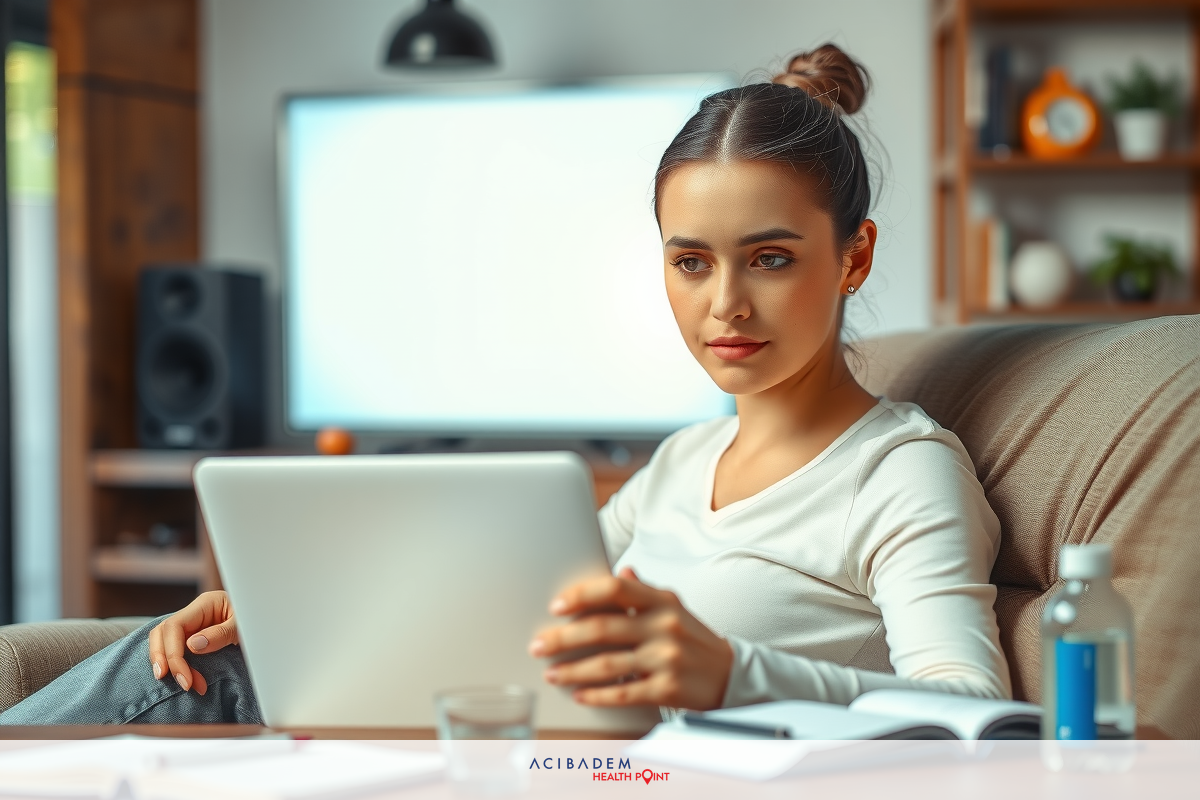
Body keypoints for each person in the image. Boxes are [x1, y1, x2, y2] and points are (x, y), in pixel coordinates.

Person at [0, 43, 1010, 726]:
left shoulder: (901, 471)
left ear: (854, 256)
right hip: (525, 747)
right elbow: (516, 610)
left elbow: (974, 711)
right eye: (691, 261)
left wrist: (734, 671)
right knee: (196, 657)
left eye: (772, 258)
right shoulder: (685, 460)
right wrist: (297, 604)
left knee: (183, 691)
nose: (725, 306)